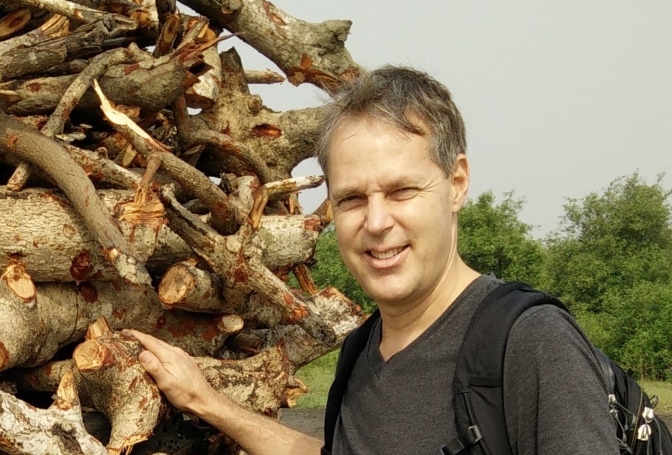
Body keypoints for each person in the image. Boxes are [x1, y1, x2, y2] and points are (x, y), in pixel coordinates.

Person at [127, 66, 619, 455]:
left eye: (402, 190)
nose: (377, 222)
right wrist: (204, 401)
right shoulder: (362, 352)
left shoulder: (530, 344)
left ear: (457, 183)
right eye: (352, 200)